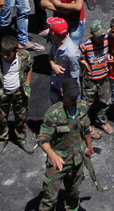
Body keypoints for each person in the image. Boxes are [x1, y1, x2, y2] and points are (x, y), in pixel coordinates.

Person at [38, 77, 93, 211]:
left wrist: (89, 146)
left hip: (76, 161)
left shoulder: (82, 107)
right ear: (62, 93)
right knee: (49, 200)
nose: (74, 99)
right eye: (71, 96)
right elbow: (42, 138)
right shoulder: (54, 114)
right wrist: (52, 155)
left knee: (73, 195)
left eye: (76, 95)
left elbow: (86, 128)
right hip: (58, 163)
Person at [0, 35, 36, 155]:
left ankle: (21, 138)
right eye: (3, 53)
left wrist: (27, 83)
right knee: (1, 117)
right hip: (3, 94)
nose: (5, 56)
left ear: (16, 51)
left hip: (19, 92)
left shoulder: (24, 57)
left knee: (21, 116)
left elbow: (30, 66)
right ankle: (2, 140)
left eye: (8, 54)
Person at [79, 20, 113, 138]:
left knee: (104, 101)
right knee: (86, 104)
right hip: (90, 80)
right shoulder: (86, 45)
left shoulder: (107, 41)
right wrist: (83, 62)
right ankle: (86, 127)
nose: (101, 38)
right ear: (92, 34)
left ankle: (101, 121)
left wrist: (110, 56)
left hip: (103, 78)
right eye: (98, 36)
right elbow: (77, 55)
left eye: (102, 35)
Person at [48, 17, 81, 104]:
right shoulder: (55, 40)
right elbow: (50, 55)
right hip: (55, 83)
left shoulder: (71, 54)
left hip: (68, 91)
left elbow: (75, 76)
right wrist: (53, 65)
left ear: (53, 32)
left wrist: (69, 96)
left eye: (50, 28)